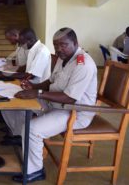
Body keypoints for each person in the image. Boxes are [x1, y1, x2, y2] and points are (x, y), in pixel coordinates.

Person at [11, 27, 97, 183]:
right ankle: (23, 142)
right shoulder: (63, 58)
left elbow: (70, 98)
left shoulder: (83, 64)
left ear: (75, 43)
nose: (59, 49)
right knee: (17, 102)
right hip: (56, 103)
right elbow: (51, 82)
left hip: (75, 112)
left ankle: (35, 171)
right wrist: (34, 86)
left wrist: (38, 94)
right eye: (56, 45)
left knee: (32, 129)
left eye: (63, 45)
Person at [0, 28, 51, 146]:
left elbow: (31, 75)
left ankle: (19, 135)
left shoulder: (41, 51)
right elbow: (26, 69)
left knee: (11, 101)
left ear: (29, 40)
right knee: (4, 98)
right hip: (30, 85)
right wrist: (8, 73)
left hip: (38, 88)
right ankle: (15, 130)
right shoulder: (33, 49)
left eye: (22, 43)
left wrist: (7, 74)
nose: (21, 46)